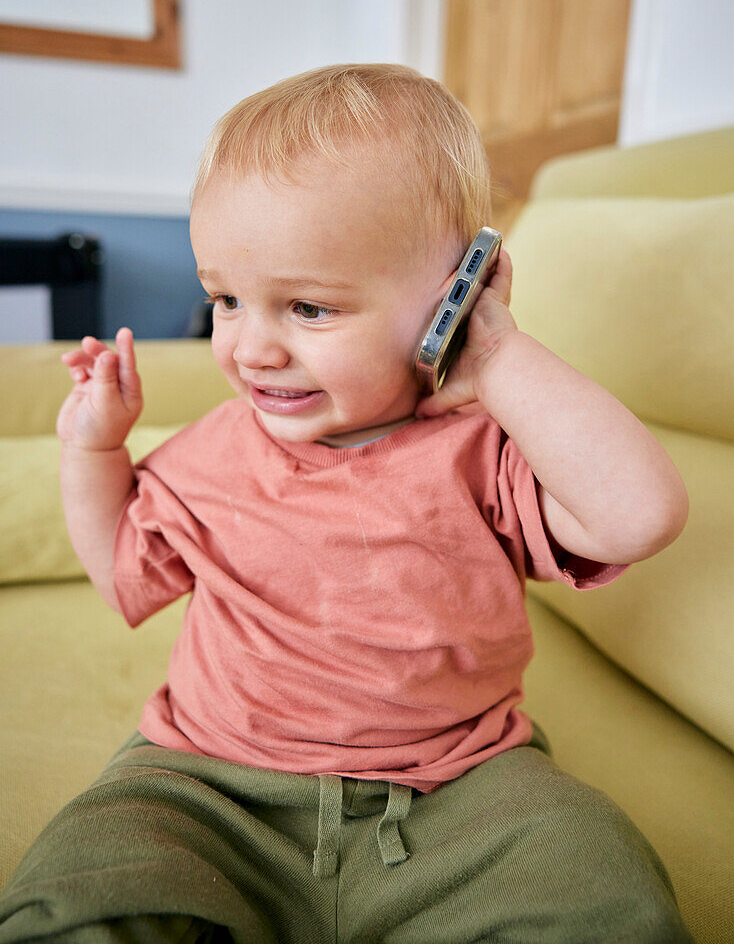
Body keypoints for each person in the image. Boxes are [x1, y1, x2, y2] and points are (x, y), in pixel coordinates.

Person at [0, 64, 694, 943]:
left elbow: (639, 514)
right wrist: (93, 448)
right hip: (207, 785)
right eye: (225, 299)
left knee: (602, 883)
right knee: (83, 887)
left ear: (457, 295)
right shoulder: (215, 449)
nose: (252, 348)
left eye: (309, 308)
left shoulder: (488, 446)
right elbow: (119, 575)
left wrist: (500, 360)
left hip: (463, 788)